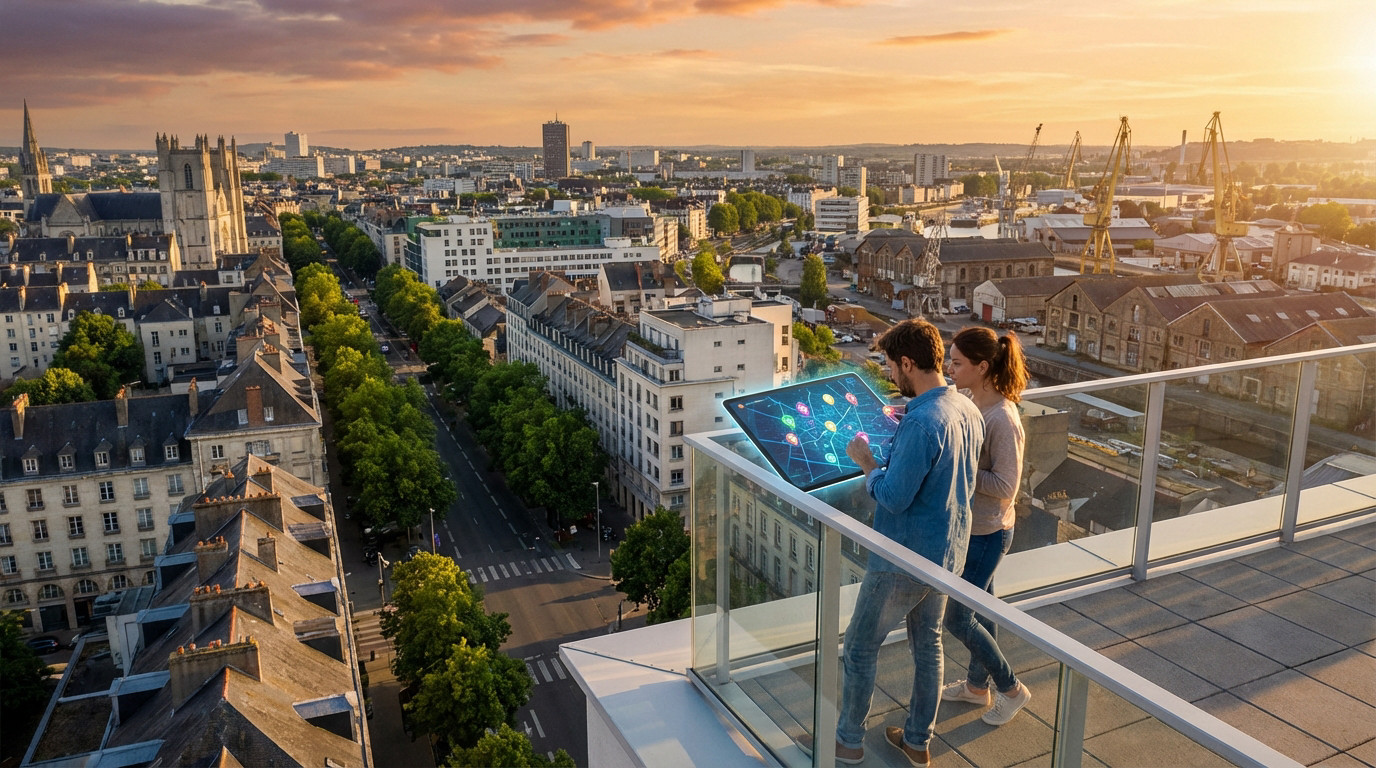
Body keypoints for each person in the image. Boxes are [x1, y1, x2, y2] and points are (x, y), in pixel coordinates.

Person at [827, 318, 984, 766]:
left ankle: (848, 743)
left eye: (893, 367)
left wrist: (868, 464)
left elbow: (894, 497)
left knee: (859, 647)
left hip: (903, 559)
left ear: (908, 362)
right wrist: (905, 429)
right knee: (928, 646)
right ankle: (917, 743)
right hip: (947, 554)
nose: (891, 375)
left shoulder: (921, 424)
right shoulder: (964, 408)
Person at [940, 327, 1032, 726]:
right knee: (984, 609)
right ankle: (978, 688)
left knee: (958, 618)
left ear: (981, 367)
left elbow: (1006, 487)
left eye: (957, 363)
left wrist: (964, 466)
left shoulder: (1002, 419)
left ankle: (1011, 689)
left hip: (988, 533)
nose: (948, 367)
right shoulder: (969, 401)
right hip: (971, 528)